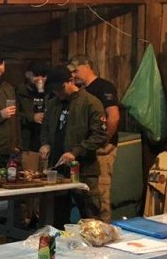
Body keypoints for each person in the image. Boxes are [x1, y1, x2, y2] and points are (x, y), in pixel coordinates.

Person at [39, 66, 108, 228]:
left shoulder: (91, 103)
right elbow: (45, 128)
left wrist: (75, 152)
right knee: (56, 217)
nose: (58, 93)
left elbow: (99, 135)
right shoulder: (53, 104)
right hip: (57, 169)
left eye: (60, 89)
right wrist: (45, 144)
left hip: (84, 170)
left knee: (90, 215)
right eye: (54, 91)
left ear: (70, 81)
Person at [68, 54, 121, 222]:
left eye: (76, 71)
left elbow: (114, 117)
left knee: (100, 193)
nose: (74, 75)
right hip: (85, 150)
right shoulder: (79, 91)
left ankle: (103, 229)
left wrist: (103, 142)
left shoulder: (103, 87)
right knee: (84, 195)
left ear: (87, 66)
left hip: (101, 149)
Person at [17, 64, 49, 152]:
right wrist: (32, 117)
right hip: (26, 142)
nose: (40, 79)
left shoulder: (51, 93)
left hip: (45, 143)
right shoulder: (18, 93)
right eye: (36, 75)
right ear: (27, 75)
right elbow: (12, 116)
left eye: (43, 76)